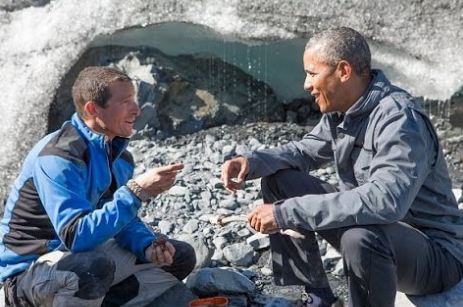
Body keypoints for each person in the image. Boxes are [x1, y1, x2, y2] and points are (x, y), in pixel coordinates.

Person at [221, 27, 463, 307]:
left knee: (358, 238)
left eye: (312, 73)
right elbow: (305, 151)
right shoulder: (344, 110)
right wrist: (252, 163)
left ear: (343, 71)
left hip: (435, 256)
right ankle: (317, 297)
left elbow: (386, 202)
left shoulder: (399, 120)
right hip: (380, 234)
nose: (306, 85)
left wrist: (286, 213)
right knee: (279, 180)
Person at [0, 66, 196, 306]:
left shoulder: (117, 155)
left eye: (134, 99)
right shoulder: (58, 158)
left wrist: (146, 244)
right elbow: (75, 235)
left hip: (73, 259)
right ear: (92, 109)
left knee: (179, 257)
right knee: (93, 269)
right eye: (125, 102)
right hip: (26, 273)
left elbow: (115, 216)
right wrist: (135, 192)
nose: (137, 109)